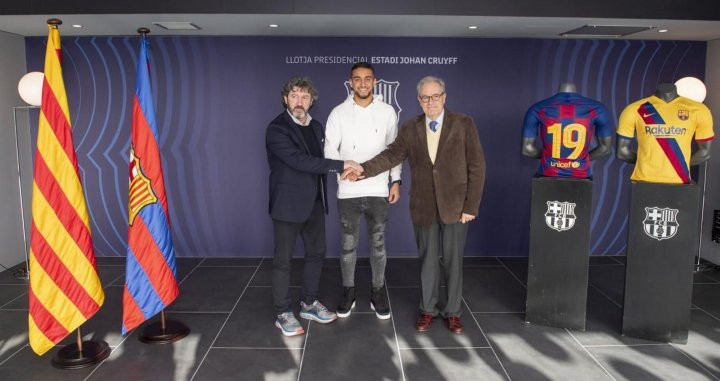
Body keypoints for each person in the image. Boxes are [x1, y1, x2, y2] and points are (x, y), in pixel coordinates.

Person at [343, 76, 486, 334]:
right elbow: (391, 156)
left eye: (435, 96)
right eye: (425, 97)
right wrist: (362, 169)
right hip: (423, 206)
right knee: (427, 261)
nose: (430, 101)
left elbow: (477, 166)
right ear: (419, 101)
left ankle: (453, 312)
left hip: (456, 207)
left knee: (454, 262)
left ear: (444, 97)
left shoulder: (463, 123)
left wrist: (471, 206)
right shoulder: (410, 128)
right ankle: (428, 310)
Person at [266, 76, 362, 336]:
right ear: (286, 98)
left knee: (316, 254)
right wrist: (342, 165)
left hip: (315, 203)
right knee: (283, 261)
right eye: (295, 95)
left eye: (305, 97)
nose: (300, 101)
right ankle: (282, 312)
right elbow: (300, 161)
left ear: (311, 101)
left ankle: (309, 303)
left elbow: (323, 159)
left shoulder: (317, 127)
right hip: (287, 206)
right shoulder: (277, 129)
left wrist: (344, 169)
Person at [324, 62, 402, 319]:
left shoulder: (387, 112)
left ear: (375, 82)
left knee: (378, 246)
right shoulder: (338, 113)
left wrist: (395, 181)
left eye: (367, 79)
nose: (363, 83)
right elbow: (329, 151)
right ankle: (349, 291)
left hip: (379, 190)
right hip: (348, 192)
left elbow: (395, 152)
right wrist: (342, 170)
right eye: (357, 79)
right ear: (350, 82)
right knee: (348, 246)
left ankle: (378, 291)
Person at [616, 83, 713, 183]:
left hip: (680, 182)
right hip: (644, 181)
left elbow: (705, 153)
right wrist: (646, 161)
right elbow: (621, 153)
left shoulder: (699, 110)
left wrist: (672, 164)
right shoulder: (634, 109)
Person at [521, 82, 613, 178]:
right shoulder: (598, 108)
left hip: (548, 173)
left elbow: (527, 149)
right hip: (581, 174)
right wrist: (578, 160)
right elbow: (605, 149)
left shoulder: (537, 108)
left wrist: (550, 158)